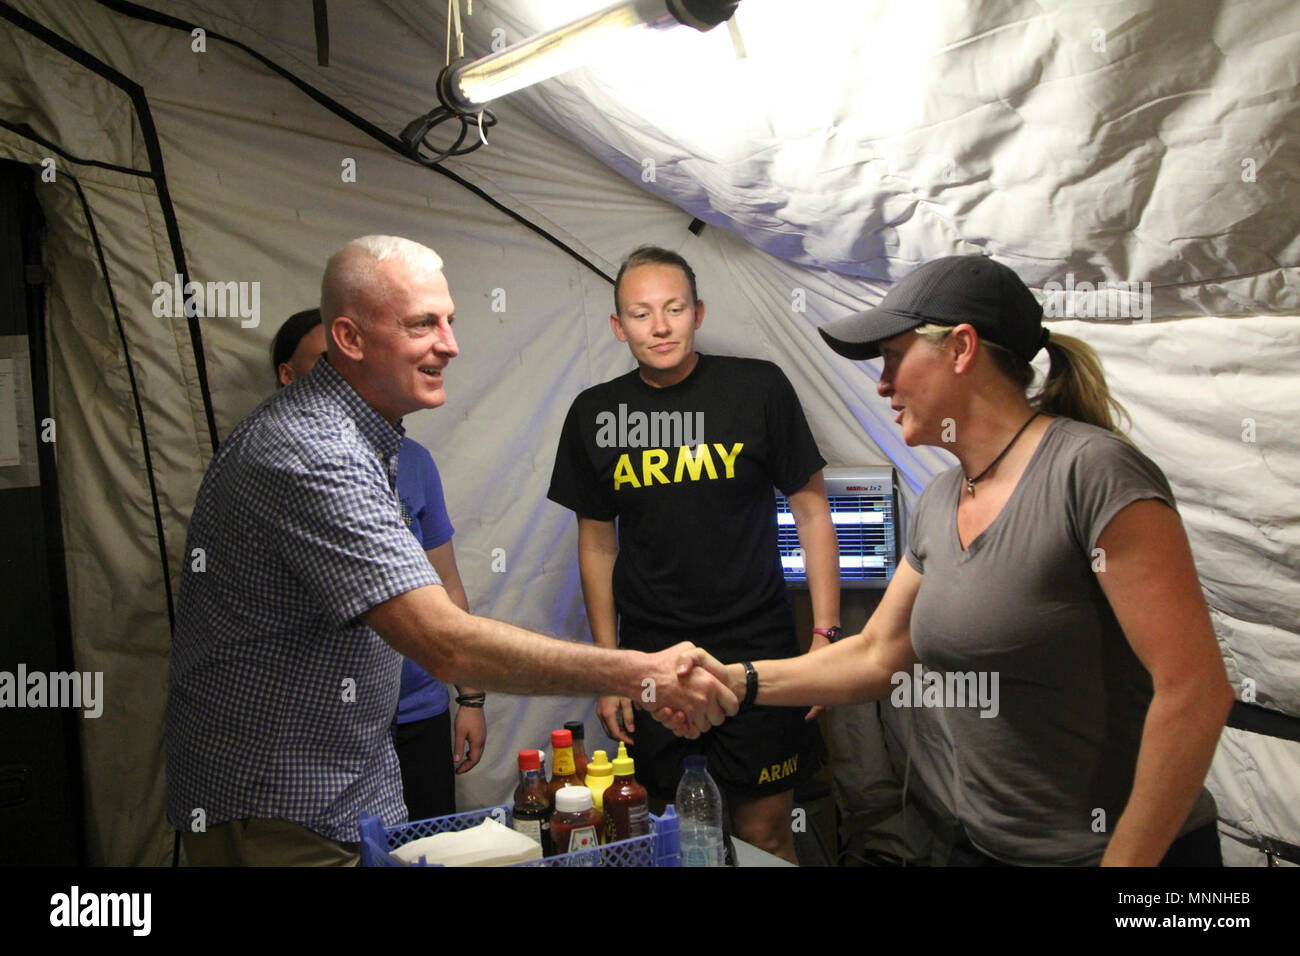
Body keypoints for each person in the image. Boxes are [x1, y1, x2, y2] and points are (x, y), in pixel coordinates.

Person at [166, 236, 736, 866]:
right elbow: (446, 641)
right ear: (350, 340)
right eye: (422, 324)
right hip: (280, 810)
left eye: (450, 321)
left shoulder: (367, 440)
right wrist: (640, 672)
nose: (450, 344)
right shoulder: (313, 451)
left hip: (343, 791)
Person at [682, 254, 1234, 866]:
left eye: (893, 357)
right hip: (989, 850)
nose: (883, 385)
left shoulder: (1092, 473)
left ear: (961, 348)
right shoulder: (944, 499)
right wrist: (735, 680)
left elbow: (1195, 691)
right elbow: (877, 654)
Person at [547, 245, 840, 864]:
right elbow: (596, 542)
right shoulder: (597, 414)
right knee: (676, 838)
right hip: (653, 657)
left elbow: (812, 510)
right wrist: (610, 667)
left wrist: (824, 637)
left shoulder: (758, 387)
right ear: (617, 325)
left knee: (765, 834)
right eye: (641, 313)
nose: (659, 326)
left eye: (674, 308)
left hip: (760, 650)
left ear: (698, 312)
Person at [273, 309, 484, 821]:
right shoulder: (278, 460)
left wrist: (471, 699)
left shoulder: (412, 461)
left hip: (418, 708)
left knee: (430, 847)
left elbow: (446, 584)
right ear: (287, 375)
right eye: (323, 363)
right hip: (326, 726)